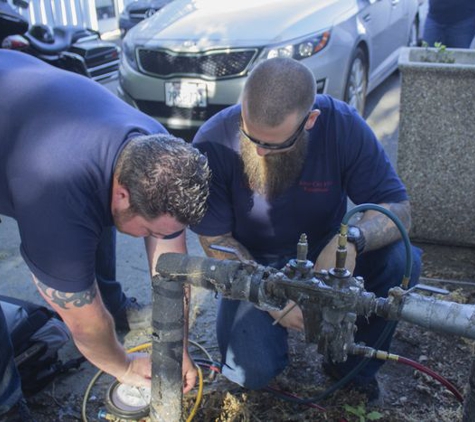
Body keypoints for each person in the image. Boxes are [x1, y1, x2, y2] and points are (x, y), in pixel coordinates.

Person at [190, 57, 422, 402]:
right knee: (252, 372)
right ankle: (267, 363)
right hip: (255, 263)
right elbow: (216, 240)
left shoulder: (342, 125)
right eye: (250, 136)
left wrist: (351, 240)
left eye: (273, 145)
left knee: (402, 259)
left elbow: (398, 210)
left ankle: (348, 364)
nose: (258, 151)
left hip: (327, 254)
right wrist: (267, 296)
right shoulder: (212, 140)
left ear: (310, 121)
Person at [0, 50, 210, 421]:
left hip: (20, 100)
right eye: (147, 231)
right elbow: (84, 322)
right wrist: (125, 366)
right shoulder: (57, 189)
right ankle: (7, 402)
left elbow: (170, 268)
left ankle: (113, 301)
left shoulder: (156, 151)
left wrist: (175, 347)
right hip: (30, 144)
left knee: (90, 220)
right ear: (124, 194)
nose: (151, 236)